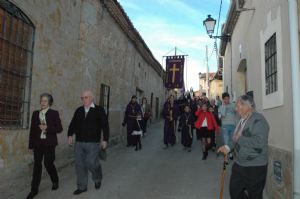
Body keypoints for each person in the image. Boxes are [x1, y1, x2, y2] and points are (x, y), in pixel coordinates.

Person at [218, 95, 269, 199]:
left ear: (247, 106)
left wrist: (239, 139)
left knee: (255, 195)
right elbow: (235, 139)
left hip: (255, 166)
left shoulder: (259, 120)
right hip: (239, 164)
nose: (236, 109)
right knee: (235, 192)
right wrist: (228, 147)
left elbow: (260, 142)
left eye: (238, 106)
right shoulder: (242, 120)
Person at [68, 90, 109, 195]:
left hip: (93, 143)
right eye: (82, 98)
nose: (84, 100)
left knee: (91, 162)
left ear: (91, 98)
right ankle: (82, 187)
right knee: (80, 165)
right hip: (79, 142)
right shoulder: (79, 110)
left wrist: (105, 139)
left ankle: (97, 177)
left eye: (86, 97)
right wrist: (70, 135)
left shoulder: (99, 110)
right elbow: (73, 123)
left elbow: (105, 125)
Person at [27, 93, 63, 199]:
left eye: (45, 101)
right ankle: (34, 190)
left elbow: (59, 128)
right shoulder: (35, 114)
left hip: (49, 144)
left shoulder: (54, 113)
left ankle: (55, 180)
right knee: (37, 166)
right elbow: (32, 131)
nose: (42, 103)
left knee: (48, 164)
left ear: (49, 103)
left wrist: (47, 128)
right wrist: (30, 145)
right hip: (38, 144)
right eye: (41, 100)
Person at [219, 92, 237, 159]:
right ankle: (226, 155)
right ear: (223, 99)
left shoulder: (233, 105)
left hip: (232, 125)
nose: (227, 100)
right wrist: (223, 107)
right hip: (225, 126)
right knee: (226, 141)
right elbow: (220, 116)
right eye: (225, 99)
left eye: (228, 99)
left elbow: (236, 111)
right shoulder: (221, 107)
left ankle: (231, 153)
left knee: (232, 140)